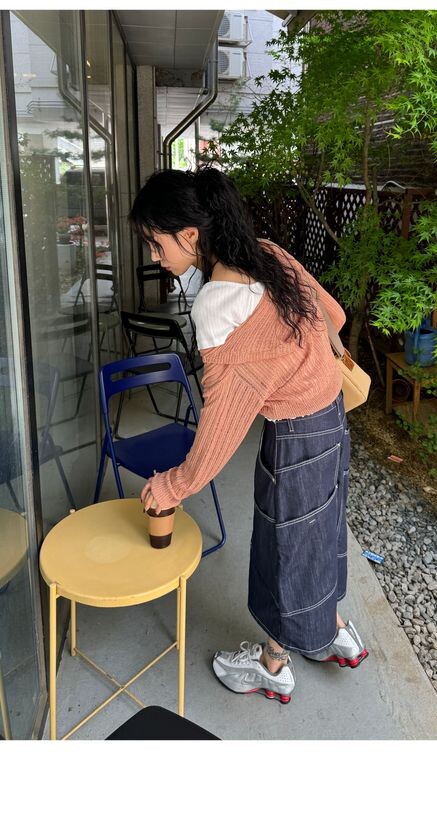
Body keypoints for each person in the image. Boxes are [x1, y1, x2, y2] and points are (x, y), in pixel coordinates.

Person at [133, 166, 366, 708]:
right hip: (332, 417)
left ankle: (274, 665)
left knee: (286, 545)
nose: (154, 256)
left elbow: (220, 429)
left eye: (156, 242)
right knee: (321, 531)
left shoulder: (218, 305)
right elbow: (333, 315)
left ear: (190, 235)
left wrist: (172, 486)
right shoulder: (267, 254)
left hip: (296, 437)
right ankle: (333, 631)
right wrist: (300, 359)